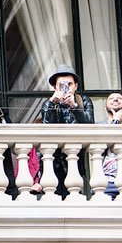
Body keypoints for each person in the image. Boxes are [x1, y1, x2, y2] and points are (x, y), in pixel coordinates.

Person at [37, 67, 93, 197]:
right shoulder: (48, 103)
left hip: (76, 158)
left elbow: (90, 124)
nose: (66, 88)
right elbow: (45, 127)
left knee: (75, 196)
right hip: (53, 160)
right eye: (61, 85)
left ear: (76, 86)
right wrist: (52, 103)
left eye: (69, 84)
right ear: (55, 87)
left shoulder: (83, 101)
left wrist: (74, 106)